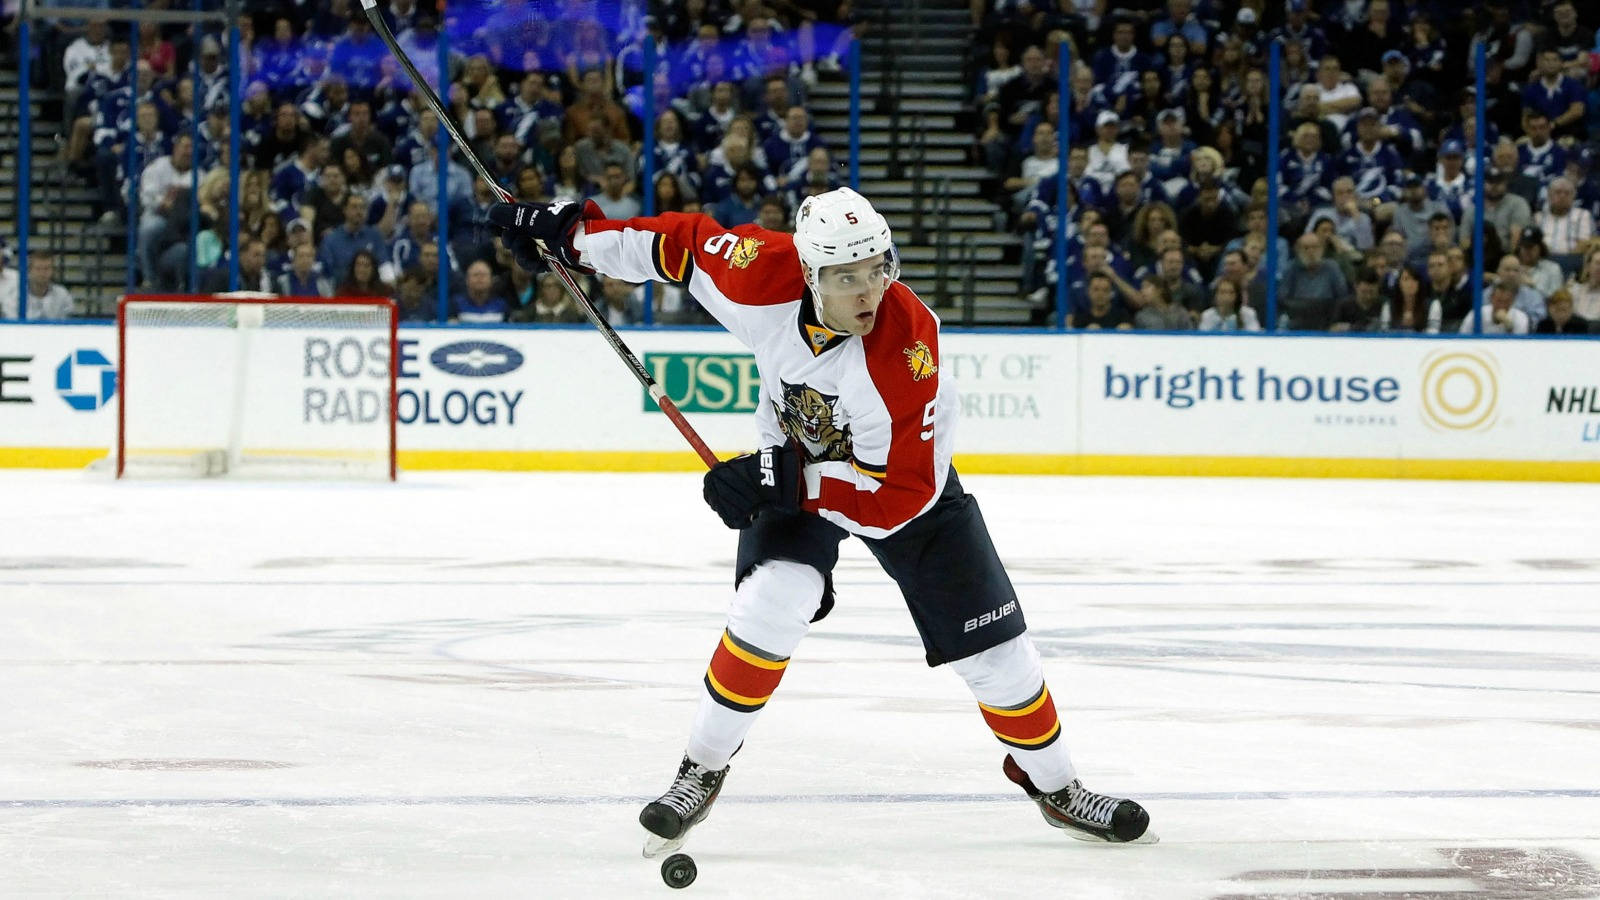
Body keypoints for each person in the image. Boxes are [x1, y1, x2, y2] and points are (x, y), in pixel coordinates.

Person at [485, 189, 1154, 851]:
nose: (868, 290)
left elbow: (898, 498)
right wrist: (573, 235)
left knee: (997, 657)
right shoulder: (761, 275)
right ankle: (701, 769)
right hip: (797, 468)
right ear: (809, 274)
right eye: (844, 276)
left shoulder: (905, 351)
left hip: (905, 489)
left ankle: (1059, 787)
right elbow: (679, 245)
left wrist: (779, 479)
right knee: (771, 607)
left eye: (876, 268)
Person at [0, 253, 76, 320]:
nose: (42, 273)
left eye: (46, 269)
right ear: (29, 270)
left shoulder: (62, 295)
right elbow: (13, 327)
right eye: (38, 269)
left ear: (53, 270)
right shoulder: (14, 296)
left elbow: (67, 324)